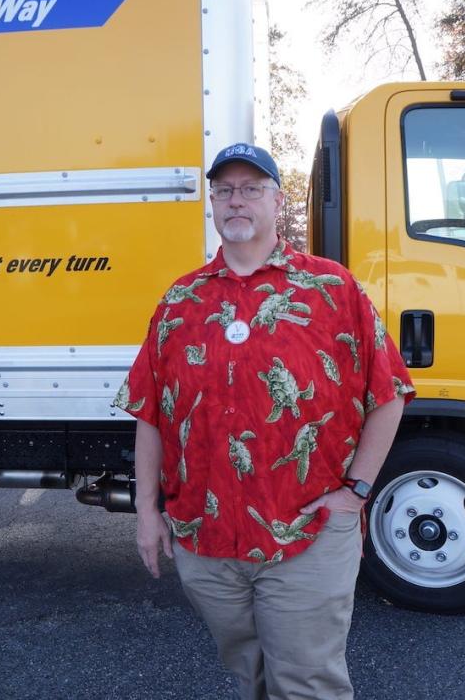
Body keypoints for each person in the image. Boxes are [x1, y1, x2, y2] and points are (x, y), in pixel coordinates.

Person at [113, 142, 414, 699]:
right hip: (205, 542)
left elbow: (389, 392)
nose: (236, 200)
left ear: (277, 200)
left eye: (251, 188)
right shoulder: (181, 301)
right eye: (224, 190)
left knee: (305, 685)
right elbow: (150, 411)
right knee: (247, 676)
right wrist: (146, 512)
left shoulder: (332, 290)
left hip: (307, 533)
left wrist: (357, 491)